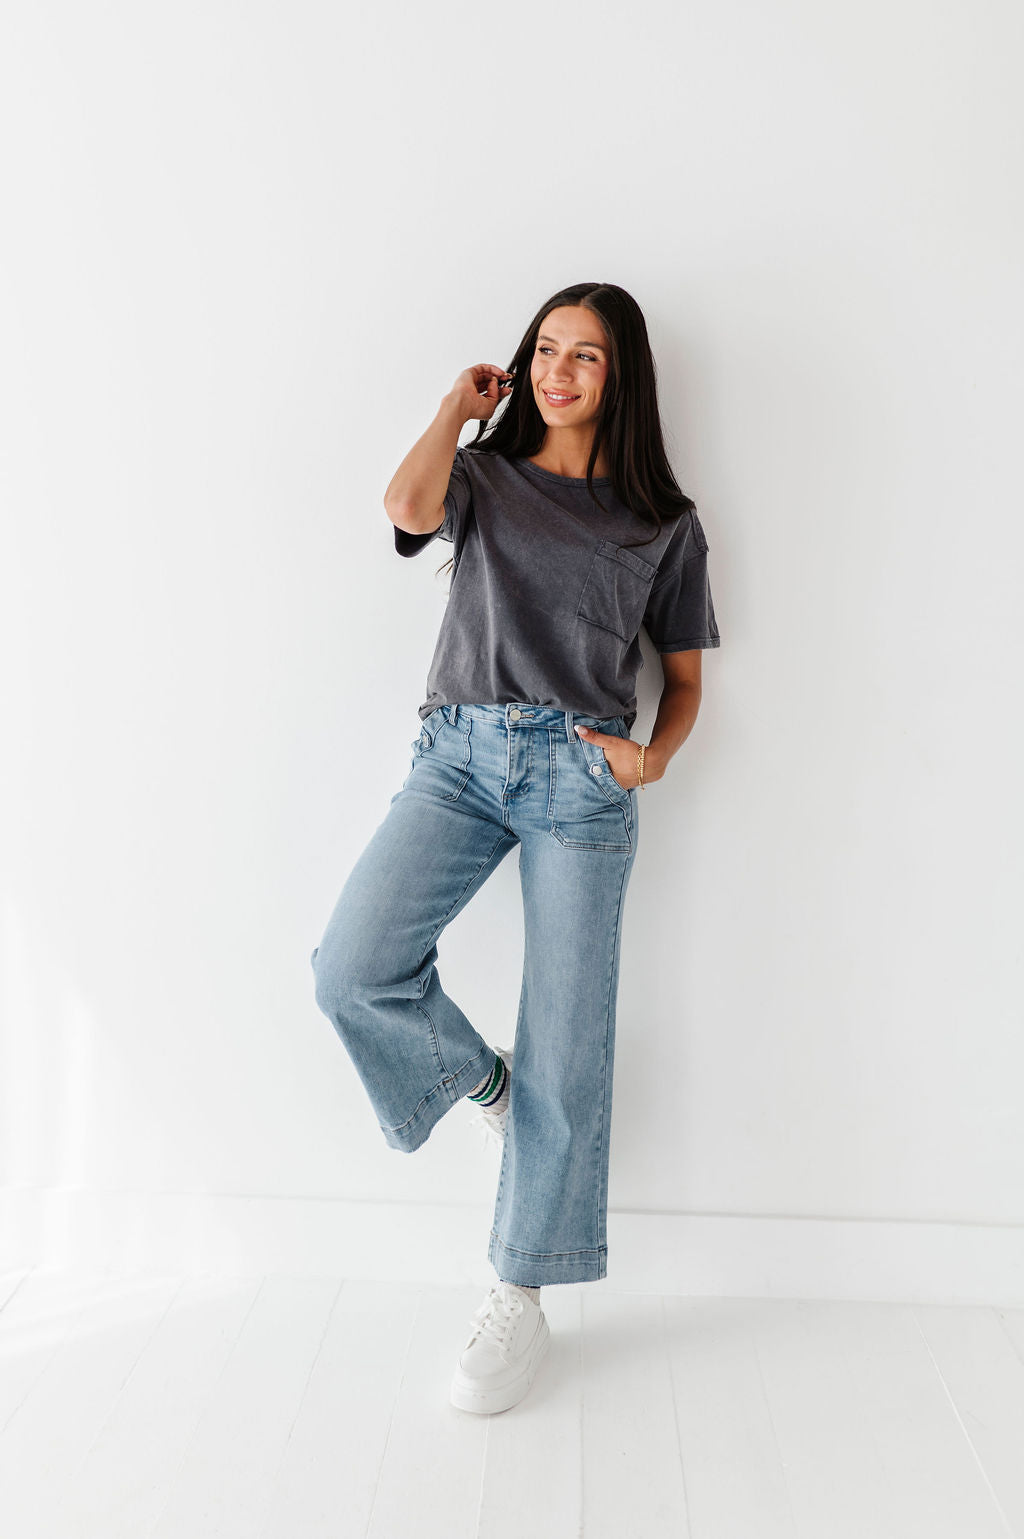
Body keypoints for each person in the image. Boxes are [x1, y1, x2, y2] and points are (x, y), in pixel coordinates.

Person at [309, 281, 720, 1415]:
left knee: (568, 1043)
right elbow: (402, 506)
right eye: (545, 349)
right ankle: (485, 1082)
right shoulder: (482, 476)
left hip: (581, 778)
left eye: (585, 356)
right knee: (351, 969)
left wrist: (653, 757)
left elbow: (685, 680)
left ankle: (520, 1291)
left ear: (620, 377)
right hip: (458, 754)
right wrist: (457, 406)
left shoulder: (663, 523)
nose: (557, 371)